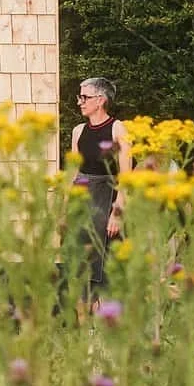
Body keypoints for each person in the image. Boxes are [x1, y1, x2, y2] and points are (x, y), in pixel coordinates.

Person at [69, 77, 130, 292]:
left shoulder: (117, 129)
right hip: (83, 199)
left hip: (107, 200)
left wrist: (117, 212)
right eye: (80, 97)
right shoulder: (78, 131)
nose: (80, 102)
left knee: (105, 263)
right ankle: (85, 325)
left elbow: (126, 175)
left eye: (84, 97)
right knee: (79, 267)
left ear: (100, 100)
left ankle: (106, 320)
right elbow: (74, 173)